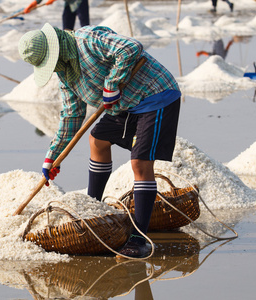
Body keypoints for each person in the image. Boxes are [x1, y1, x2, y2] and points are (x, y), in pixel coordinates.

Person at [18, 24, 181, 258]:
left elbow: (130, 47)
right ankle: (93, 207)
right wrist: (52, 157)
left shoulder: (87, 39)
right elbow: (72, 115)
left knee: (140, 163)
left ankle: (139, 238)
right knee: (97, 140)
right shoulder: (65, 71)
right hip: (125, 104)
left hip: (155, 95)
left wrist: (112, 83)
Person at [24, 0, 89, 30]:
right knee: (66, 29)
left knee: (85, 27)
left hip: (80, 2)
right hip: (69, 3)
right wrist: (31, 5)